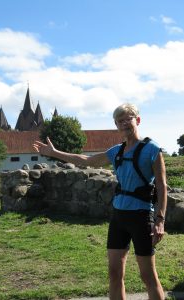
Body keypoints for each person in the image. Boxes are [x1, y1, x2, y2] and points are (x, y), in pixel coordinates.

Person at [32, 103, 167, 300]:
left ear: (137, 120)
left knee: (147, 276)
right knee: (114, 273)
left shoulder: (152, 149)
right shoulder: (116, 152)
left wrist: (160, 219)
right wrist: (54, 153)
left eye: (128, 119)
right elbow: (86, 161)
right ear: (116, 125)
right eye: (119, 121)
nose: (124, 124)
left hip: (142, 217)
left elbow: (162, 186)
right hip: (119, 217)